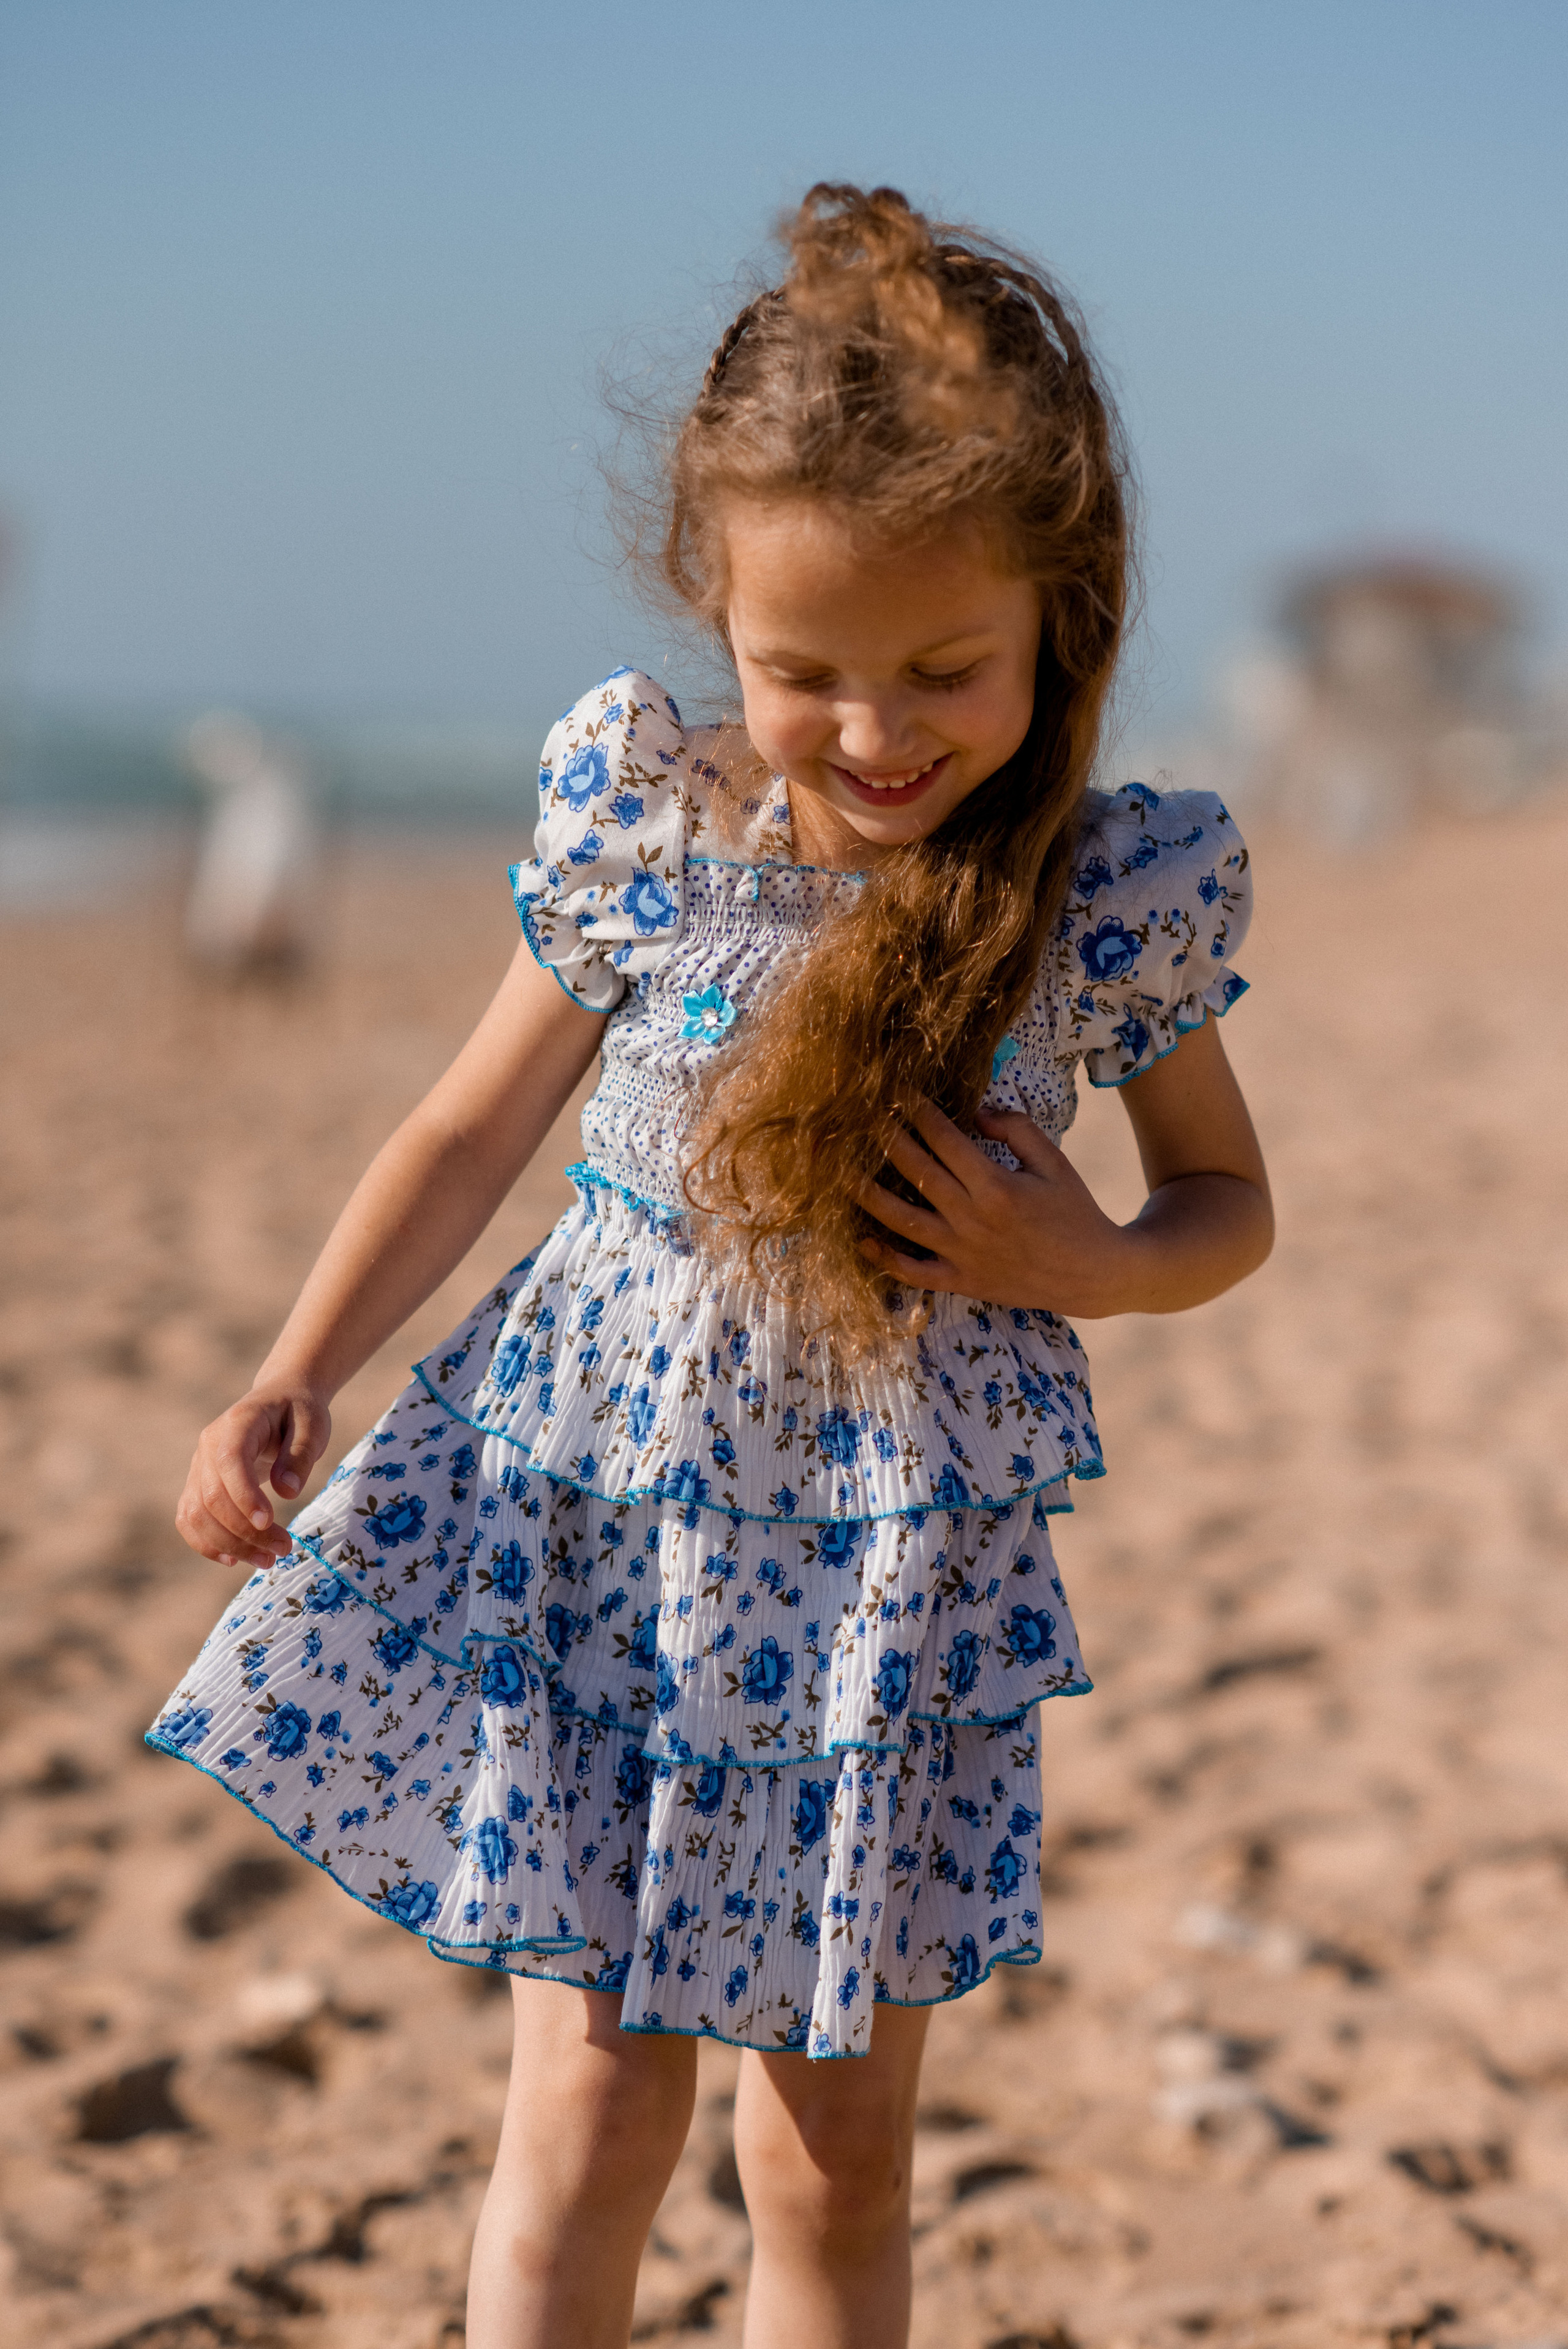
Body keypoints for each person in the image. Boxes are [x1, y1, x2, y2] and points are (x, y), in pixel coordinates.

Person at [151, 183, 1272, 2349]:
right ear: (714, 609)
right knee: (587, 2105)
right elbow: (466, 1128)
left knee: (834, 2148)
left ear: (1061, 613)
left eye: (943, 669)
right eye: (800, 671)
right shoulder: (651, 824)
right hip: (605, 1544)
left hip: (882, 1593)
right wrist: (298, 1363)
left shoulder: (1095, 898)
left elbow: (1229, 1198)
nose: (874, 732)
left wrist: (1091, 1258)